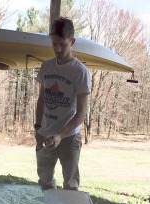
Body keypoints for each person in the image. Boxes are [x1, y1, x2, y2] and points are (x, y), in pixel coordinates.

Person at [34, 17, 91, 191]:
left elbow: (81, 113)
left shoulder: (79, 71)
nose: (58, 49)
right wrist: (37, 127)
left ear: (72, 42)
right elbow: (42, 99)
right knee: (44, 183)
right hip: (45, 134)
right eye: (54, 44)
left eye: (63, 44)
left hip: (69, 137)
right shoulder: (46, 67)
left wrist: (61, 135)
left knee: (70, 185)